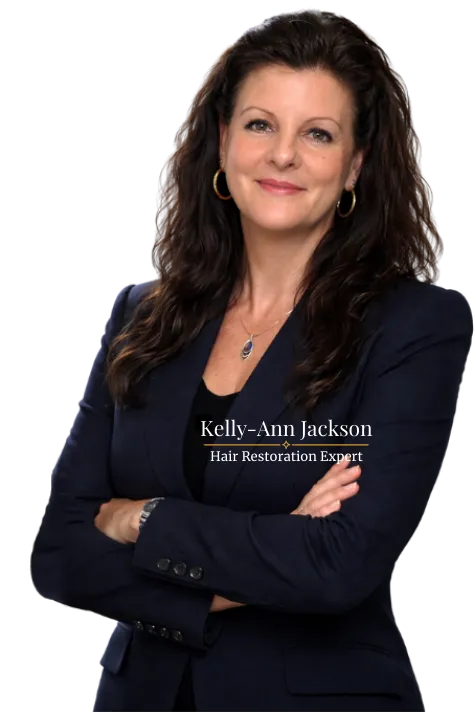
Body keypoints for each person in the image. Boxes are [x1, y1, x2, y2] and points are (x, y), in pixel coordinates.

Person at [31, 8, 472, 713]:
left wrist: (140, 518)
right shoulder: (142, 314)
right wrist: (272, 549)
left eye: (318, 134)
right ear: (223, 140)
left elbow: (338, 565)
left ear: (355, 165)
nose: (283, 155)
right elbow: (61, 554)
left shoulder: (413, 326)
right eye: (261, 124)